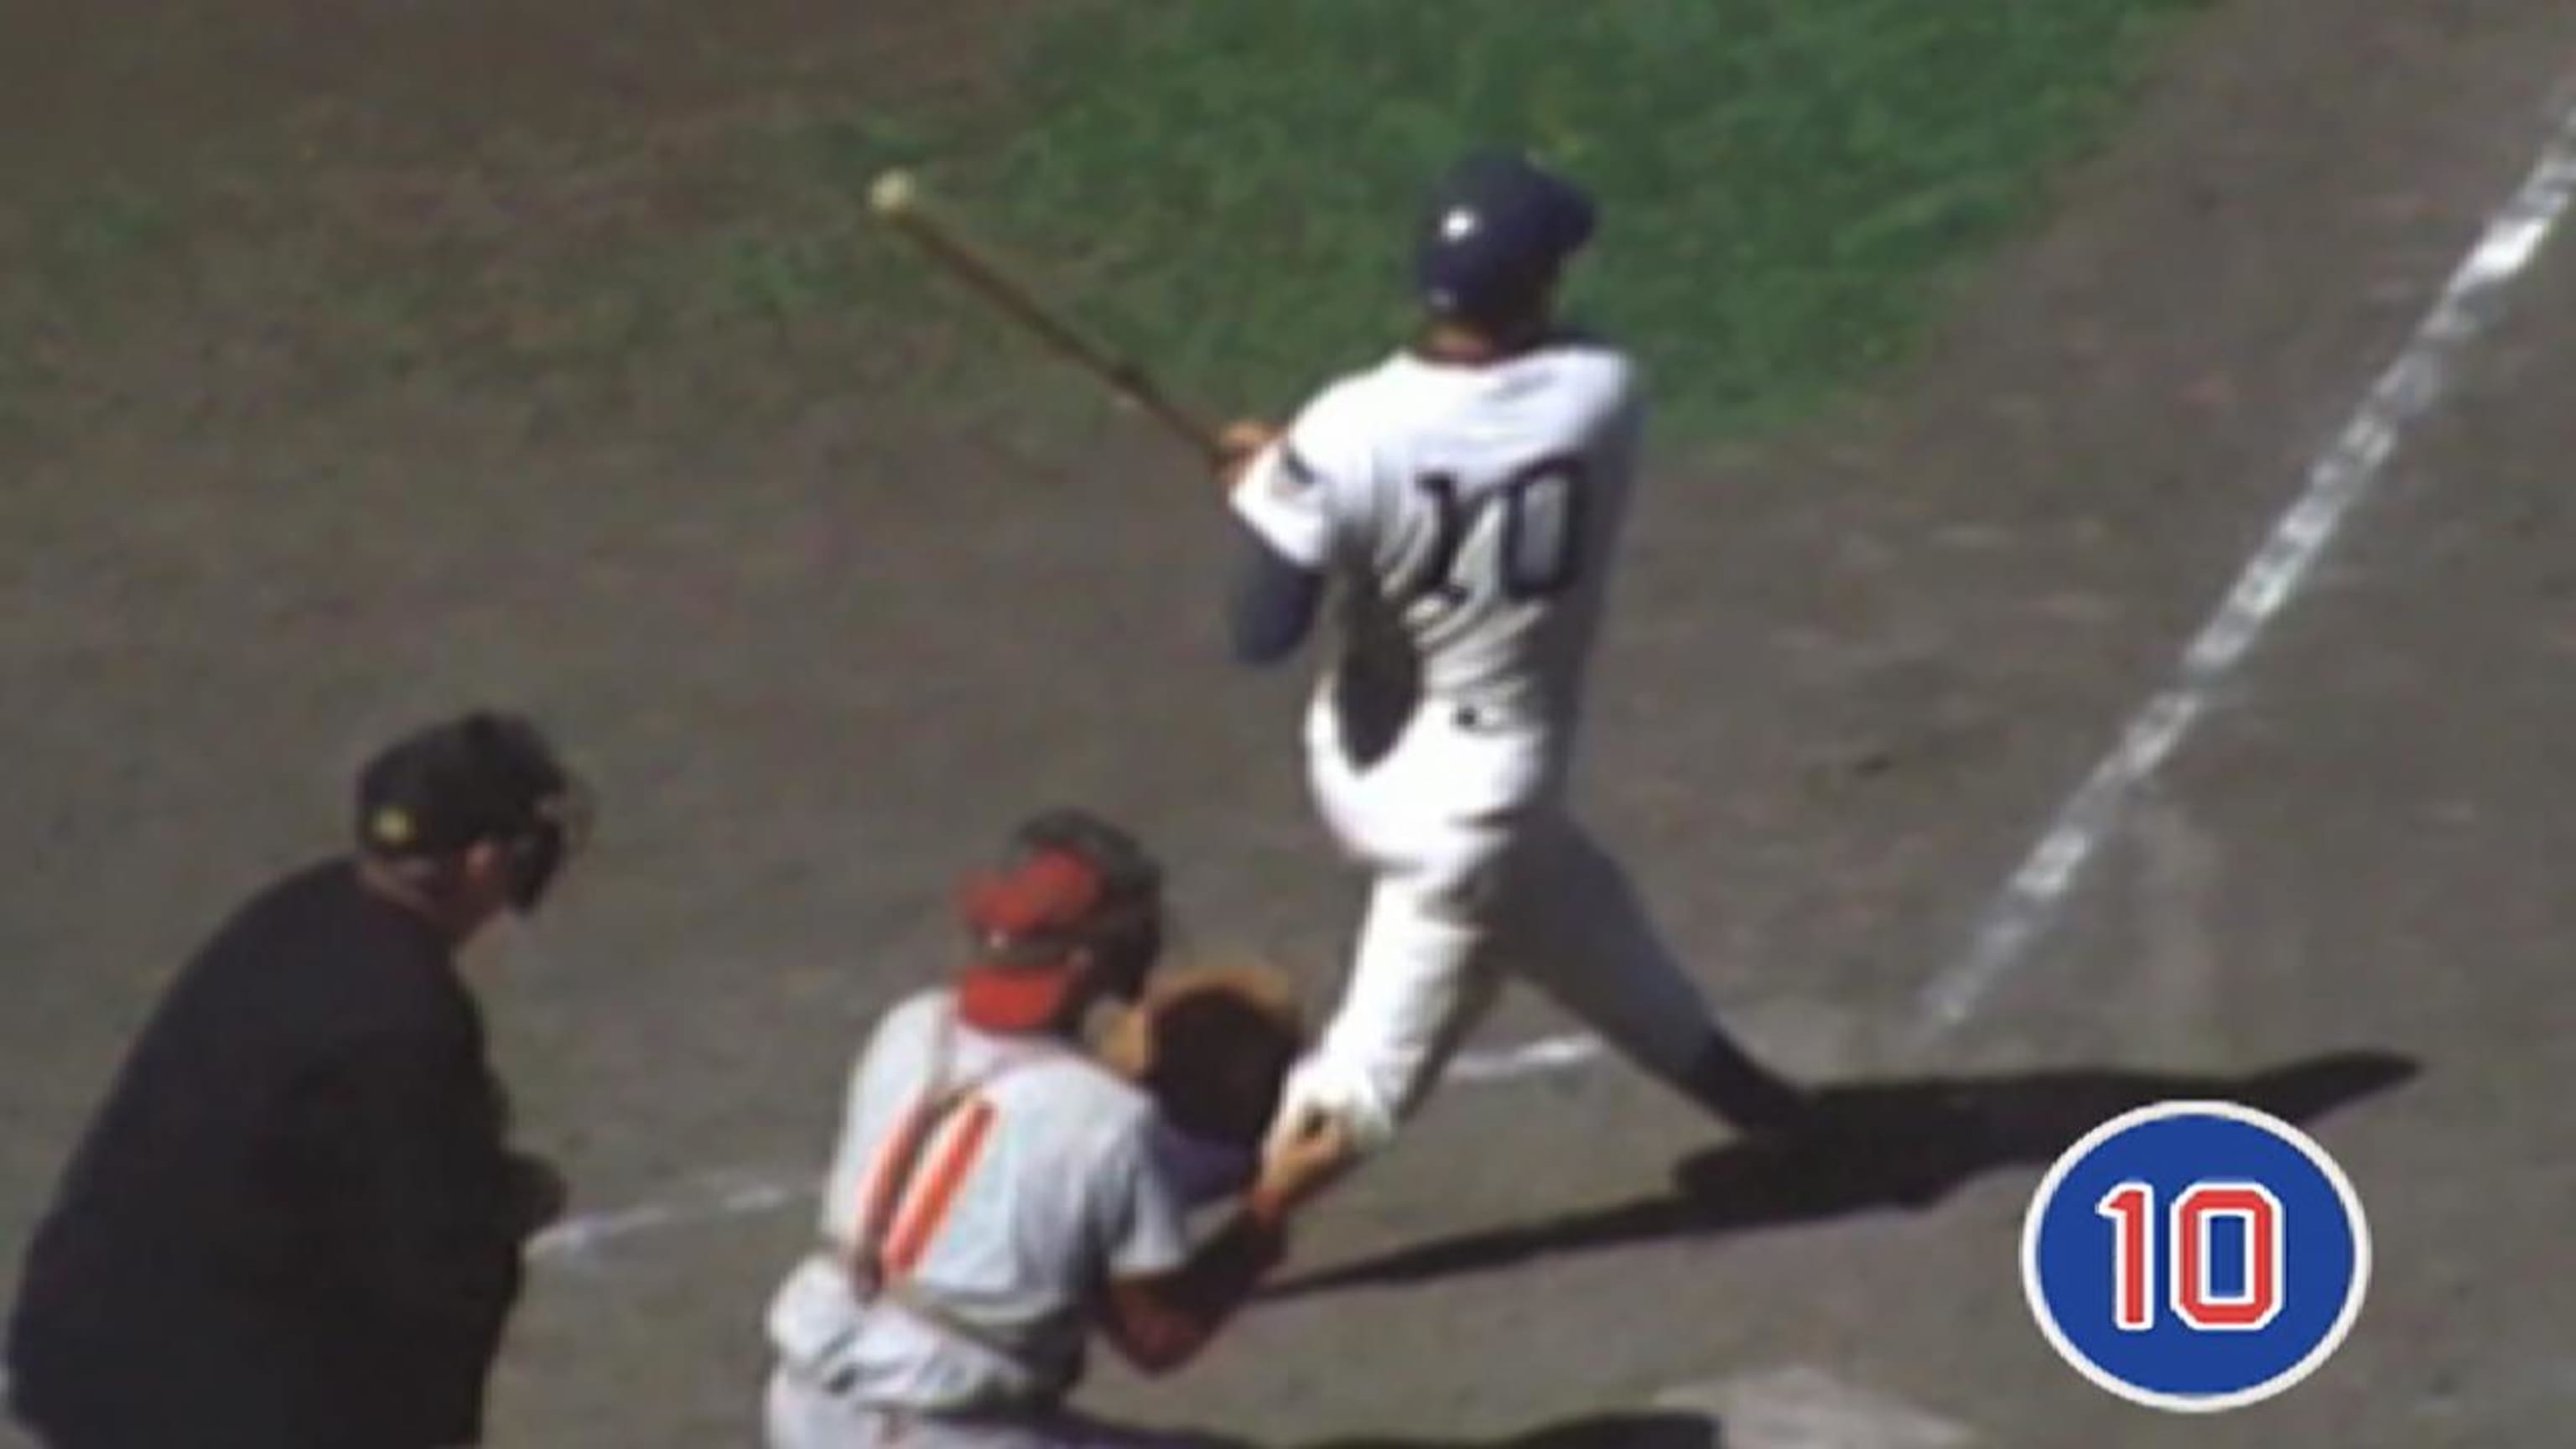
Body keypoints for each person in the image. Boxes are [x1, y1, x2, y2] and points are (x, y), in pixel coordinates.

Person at [1213, 148, 1819, 1179]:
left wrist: (1280, 492)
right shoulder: (1604, 395)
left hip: (1373, 757)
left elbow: (1261, 629)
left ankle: (1777, 1117)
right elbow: (1471, 458)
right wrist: (1300, 483)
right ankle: (1193, 1270)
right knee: (1360, 1092)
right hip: (1469, 813)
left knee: (1586, 919)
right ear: (1535, 284)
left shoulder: (1346, 430)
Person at [5, 711, 591, 1449]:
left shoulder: (299, 917)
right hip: (186, 1398)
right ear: (480, 863)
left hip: (87, 1347)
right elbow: (425, 1278)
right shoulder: (403, 1019)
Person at [761, 810, 1348, 1449]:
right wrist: (1270, 1208)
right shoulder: (1105, 1121)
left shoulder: (907, 1029)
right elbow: (1159, 1339)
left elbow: (1012, 1175)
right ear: (1090, 965)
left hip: (804, 1407)